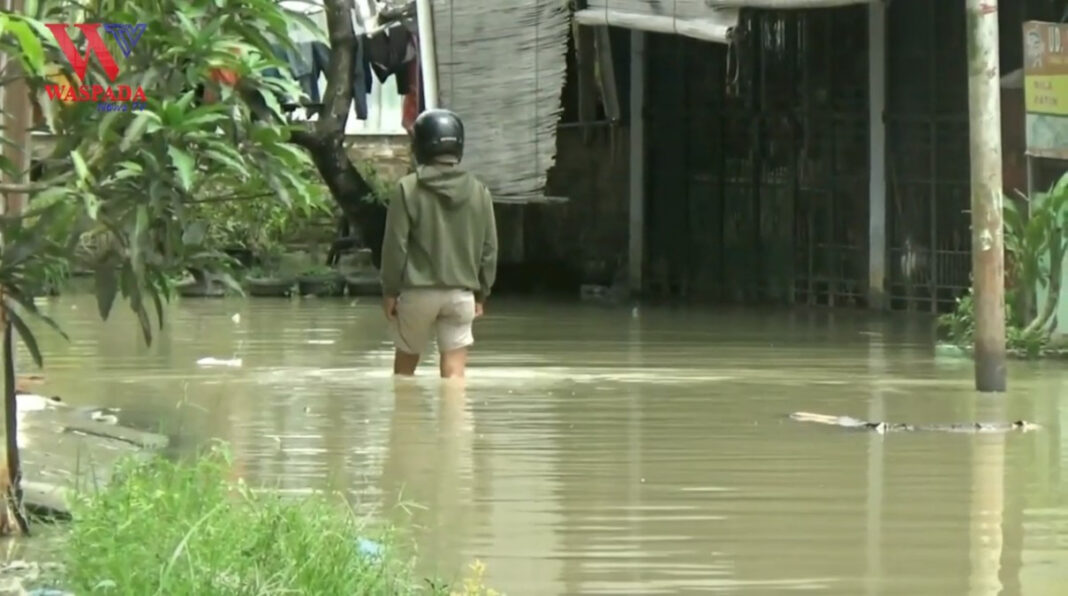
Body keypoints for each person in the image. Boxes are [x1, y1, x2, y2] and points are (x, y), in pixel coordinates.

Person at [379, 108, 498, 378]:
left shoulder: (406, 189)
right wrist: (481, 294)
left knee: (404, 377)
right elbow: (489, 250)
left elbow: (395, 247)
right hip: (461, 295)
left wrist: (389, 291)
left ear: (419, 145)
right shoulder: (480, 191)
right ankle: (454, 420)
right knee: (455, 378)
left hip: (417, 295)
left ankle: (406, 420)